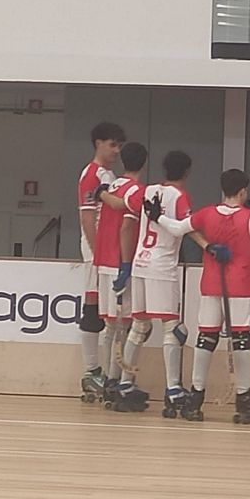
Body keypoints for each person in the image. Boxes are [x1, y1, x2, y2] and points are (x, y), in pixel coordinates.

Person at [150, 168, 250, 423]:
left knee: (206, 337)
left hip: (211, 283)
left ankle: (196, 396)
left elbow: (177, 228)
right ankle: (243, 395)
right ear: (243, 191)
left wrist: (157, 217)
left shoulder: (206, 213)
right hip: (239, 285)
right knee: (241, 338)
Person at [127, 150, 201, 418]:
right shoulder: (179, 196)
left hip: (139, 262)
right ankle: (173, 389)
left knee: (139, 326)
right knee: (172, 328)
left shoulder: (148, 191)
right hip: (162, 265)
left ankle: (124, 383)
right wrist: (208, 246)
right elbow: (184, 228)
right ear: (187, 172)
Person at [93, 142, 148, 410]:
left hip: (104, 260)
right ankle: (119, 382)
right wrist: (126, 264)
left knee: (110, 325)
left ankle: (108, 378)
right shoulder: (137, 191)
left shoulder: (111, 186)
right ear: (144, 162)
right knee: (127, 325)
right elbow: (127, 227)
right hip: (119, 261)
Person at [77, 122, 125, 403]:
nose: (116, 150)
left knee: (107, 310)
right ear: (98, 144)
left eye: (119, 146)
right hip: (97, 250)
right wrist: (97, 254)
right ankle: (91, 370)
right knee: (93, 305)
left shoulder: (109, 175)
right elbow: (87, 217)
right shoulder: (91, 175)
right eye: (112, 144)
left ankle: (106, 372)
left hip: (110, 249)